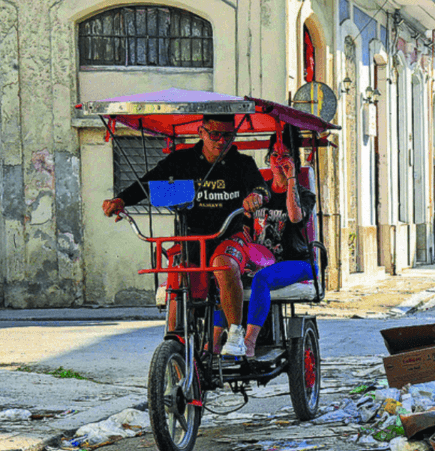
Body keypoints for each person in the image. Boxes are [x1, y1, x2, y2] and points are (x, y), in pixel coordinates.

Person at [102, 114, 270, 357]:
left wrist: (256, 196)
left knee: (223, 264)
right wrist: (121, 200)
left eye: (228, 135)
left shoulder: (243, 163)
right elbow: (147, 184)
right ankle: (174, 339)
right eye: (215, 134)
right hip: (191, 238)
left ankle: (235, 333)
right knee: (178, 273)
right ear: (201, 132)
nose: (221, 141)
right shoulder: (181, 160)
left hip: (228, 236)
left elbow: (261, 188)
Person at [239, 127, 317, 357]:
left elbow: (294, 217)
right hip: (258, 262)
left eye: (285, 155)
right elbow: (244, 229)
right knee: (224, 276)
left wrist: (291, 178)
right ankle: (216, 343)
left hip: (297, 262)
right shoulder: (259, 194)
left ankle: (249, 343)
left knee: (262, 279)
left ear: (294, 160)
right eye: (274, 155)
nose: (279, 160)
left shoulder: (304, 194)